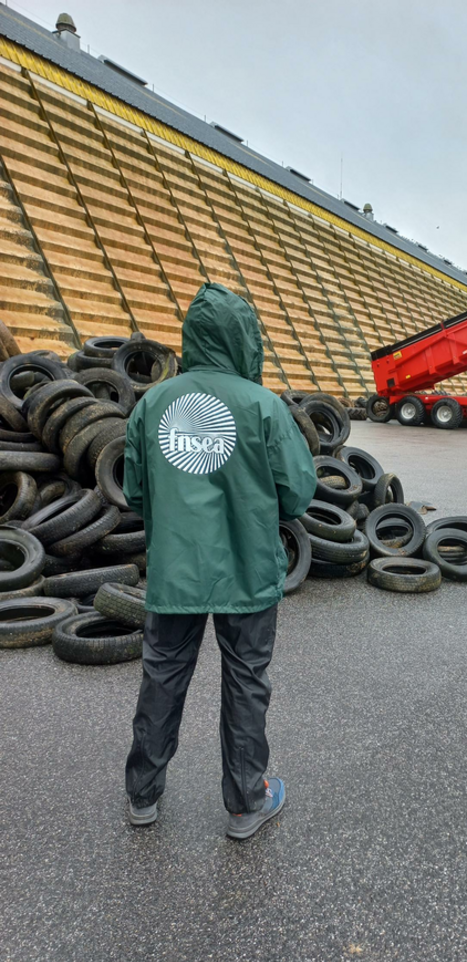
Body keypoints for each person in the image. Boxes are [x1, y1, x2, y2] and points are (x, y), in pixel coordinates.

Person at [123, 283, 316, 839]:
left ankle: (141, 796)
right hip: (248, 568)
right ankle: (245, 802)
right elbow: (298, 493)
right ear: (245, 339)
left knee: (162, 675)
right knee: (247, 680)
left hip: (175, 568)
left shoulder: (153, 403)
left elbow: (135, 490)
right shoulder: (263, 405)